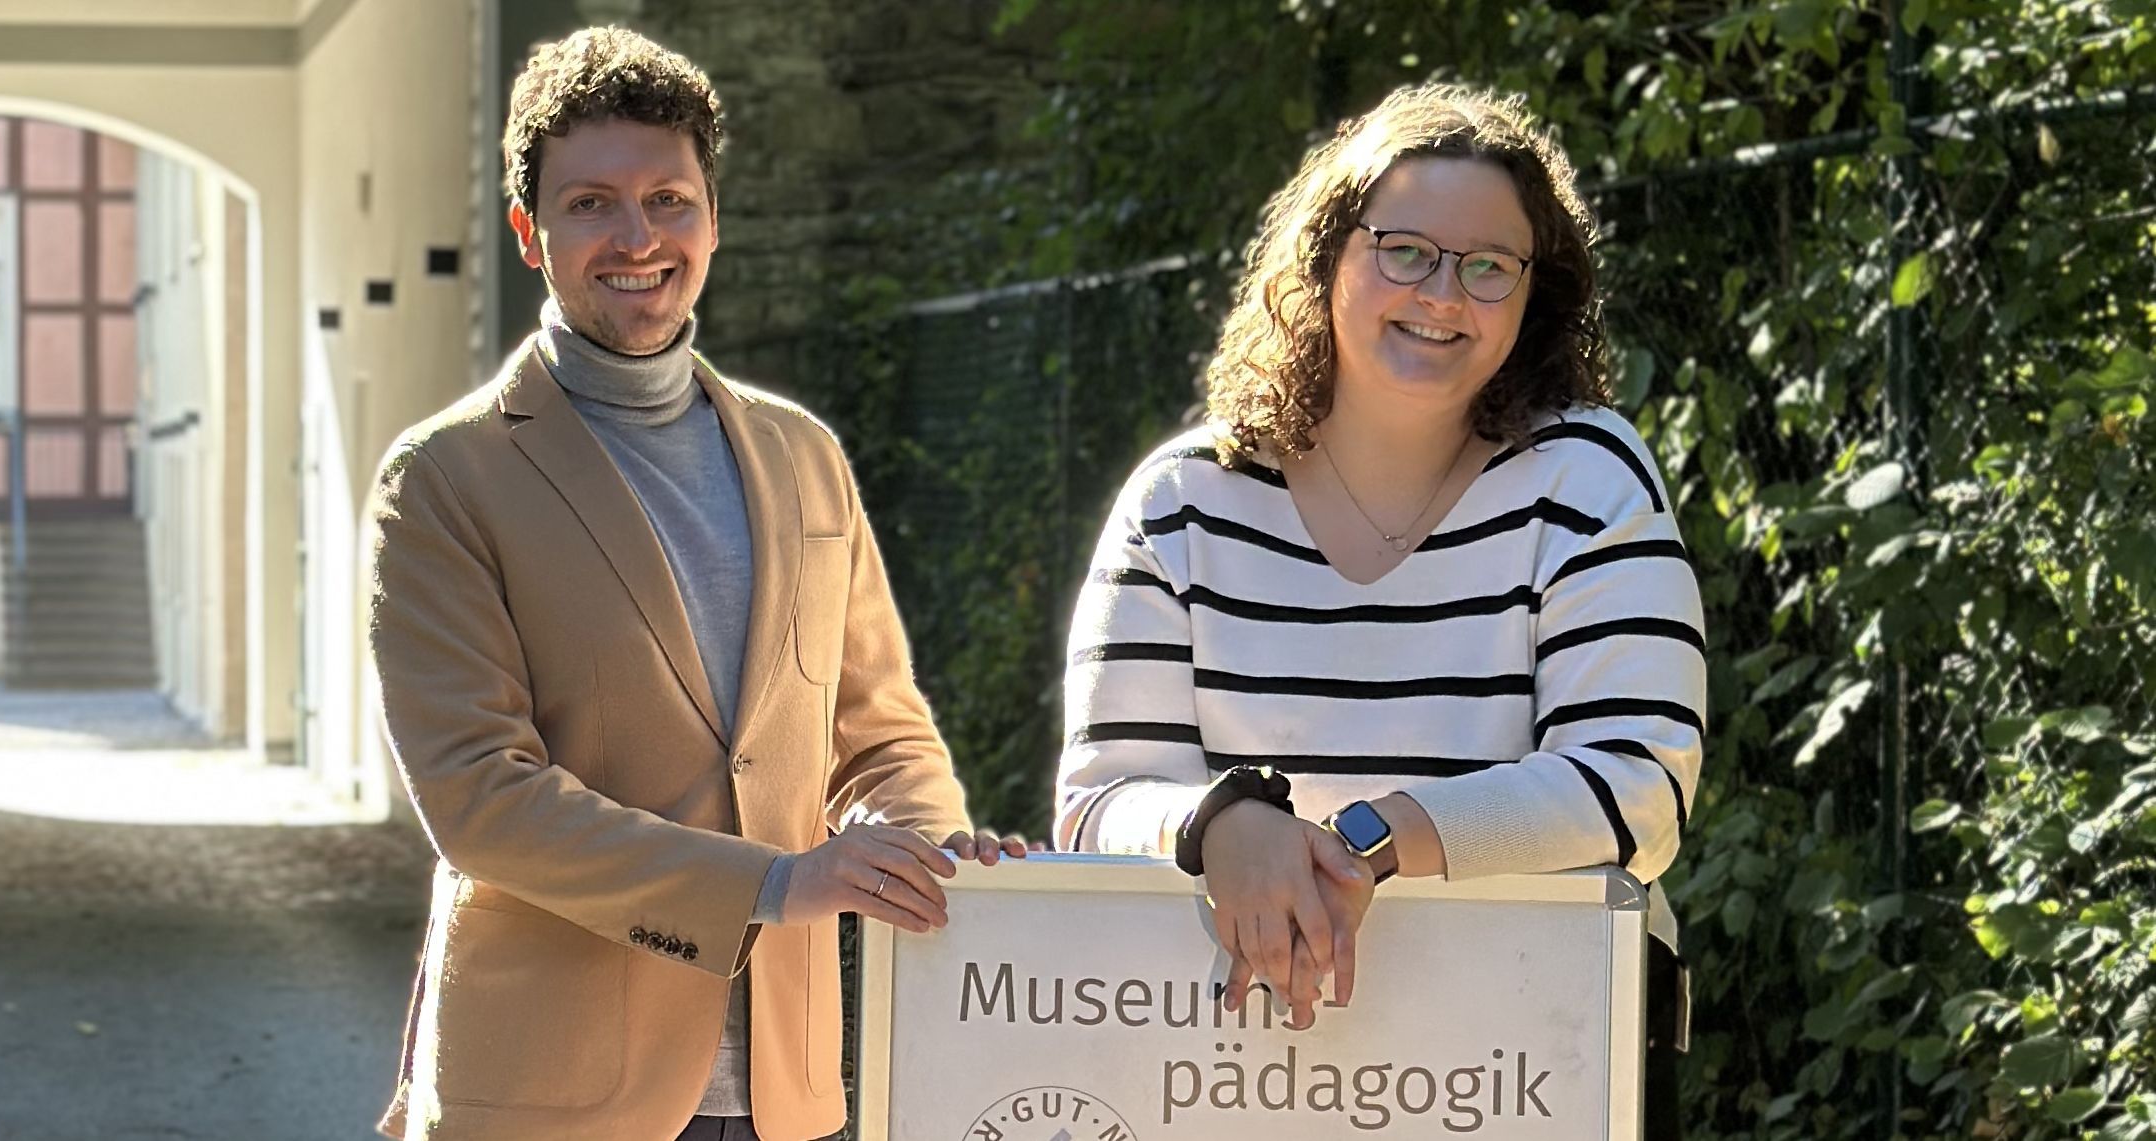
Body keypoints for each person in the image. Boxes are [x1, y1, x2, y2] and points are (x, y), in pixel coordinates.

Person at [366, 27, 1025, 1141]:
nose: (637, 237)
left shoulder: (803, 455)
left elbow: (875, 732)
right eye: (592, 204)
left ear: (714, 221)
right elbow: (481, 798)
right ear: (531, 233)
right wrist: (776, 883)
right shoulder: (443, 478)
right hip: (550, 1097)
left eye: (669, 199)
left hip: (787, 1090)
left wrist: (929, 842)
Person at [1052, 84, 1701, 1134]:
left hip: (1537, 1065)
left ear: (1535, 296)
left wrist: (1370, 840)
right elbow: (1096, 806)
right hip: (1229, 1075)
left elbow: (1636, 789)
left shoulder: (1588, 478)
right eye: (1404, 249)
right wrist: (1227, 825)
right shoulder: (1183, 503)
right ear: (1327, 255)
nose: (1443, 293)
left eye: (1489, 265)